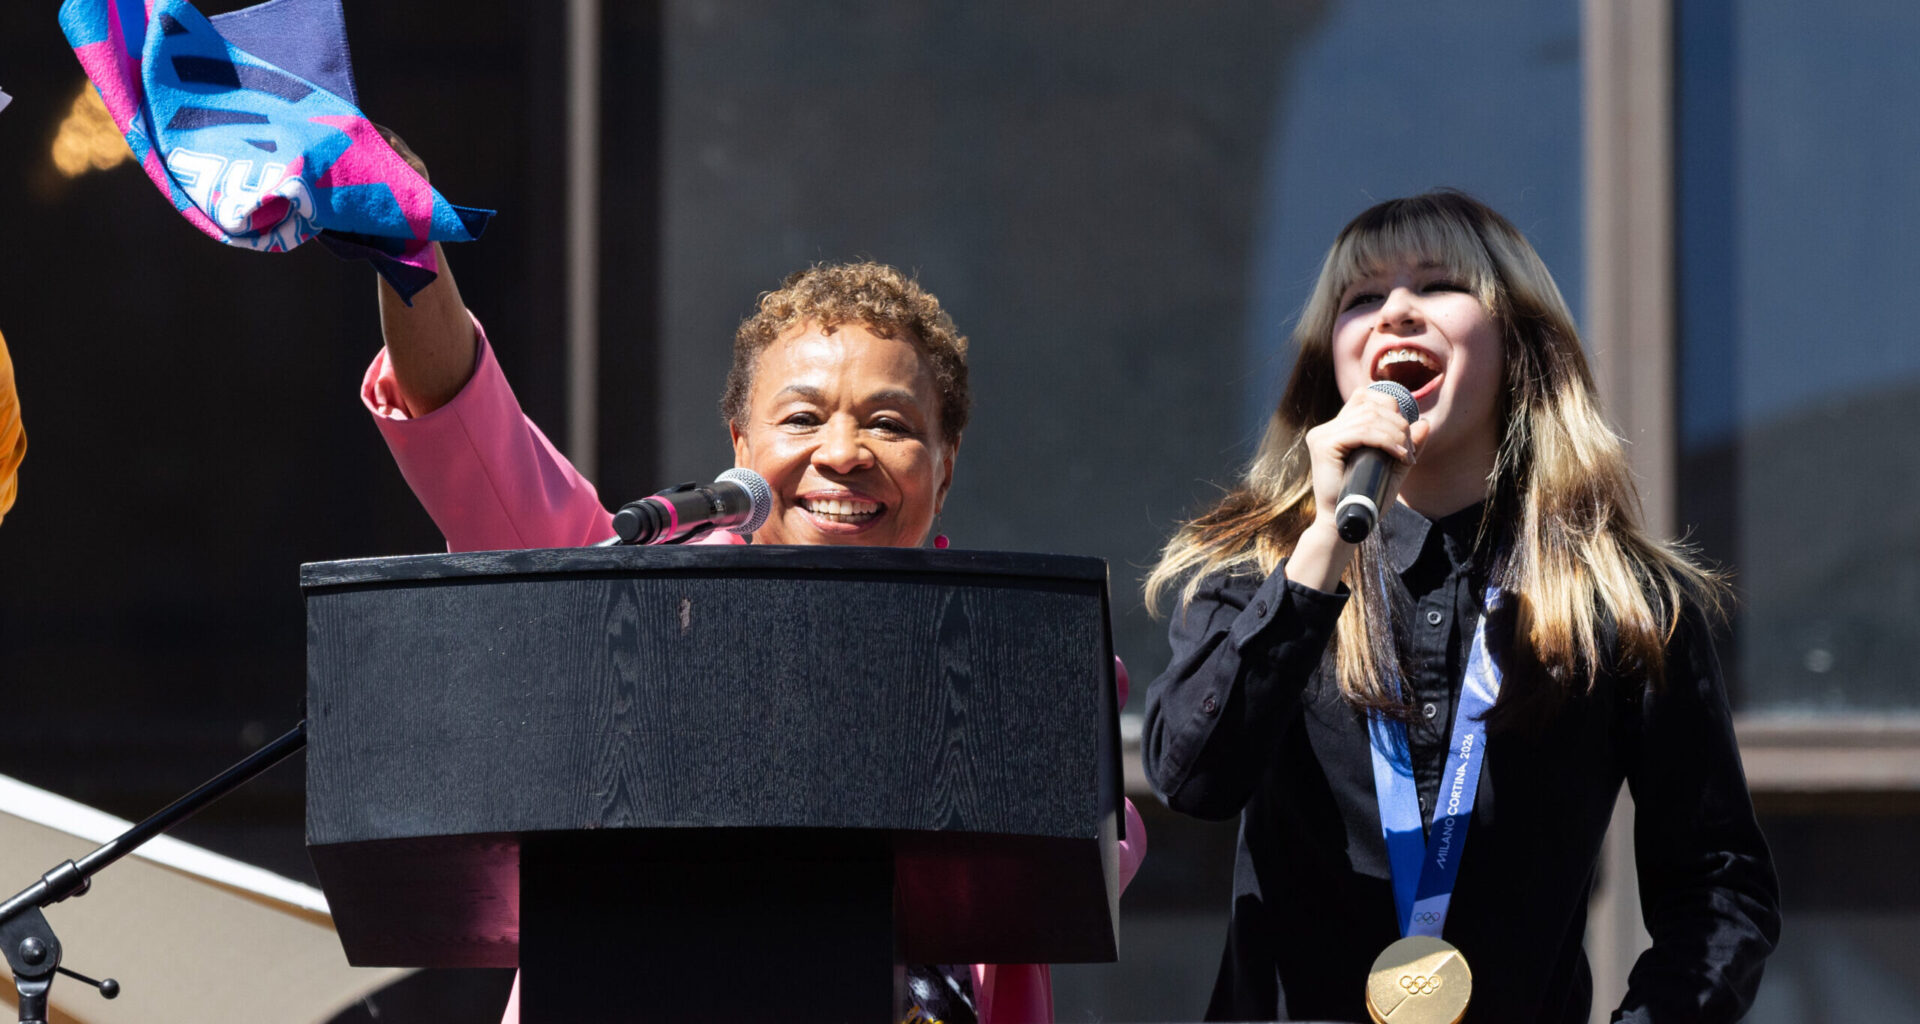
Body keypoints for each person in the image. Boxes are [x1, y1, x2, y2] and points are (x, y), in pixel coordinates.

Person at [359, 141, 1143, 1024]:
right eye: (802, 417)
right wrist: (407, 247)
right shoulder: (635, 602)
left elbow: (1099, 852)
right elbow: (473, 434)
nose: (842, 454)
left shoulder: (1017, 661)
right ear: (740, 445)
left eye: (889, 424)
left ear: (946, 463)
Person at [1141, 191, 1778, 1022]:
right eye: (1360, 299)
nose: (1397, 311)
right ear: (1330, 360)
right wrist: (1325, 548)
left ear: (1518, 342)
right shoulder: (1250, 567)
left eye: (1439, 284)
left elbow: (1719, 890)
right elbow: (1192, 777)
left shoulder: (1619, 600)